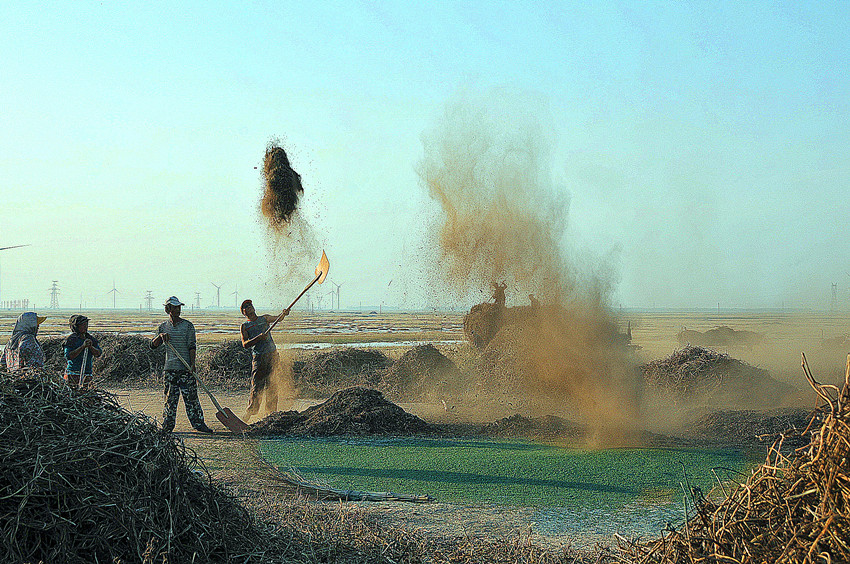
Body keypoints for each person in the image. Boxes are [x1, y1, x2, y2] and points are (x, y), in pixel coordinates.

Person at [150, 296, 214, 434]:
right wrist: (160, 337)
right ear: (168, 309)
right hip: (170, 369)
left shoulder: (188, 326)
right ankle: (167, 426)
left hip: (185, 368)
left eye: (179, 307)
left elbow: (192, 346)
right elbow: (153, 345)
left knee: (191, 398)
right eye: (174, 307)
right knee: (170, 400)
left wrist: (192, 365)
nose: (177, 310)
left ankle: (198, 424)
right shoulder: (162, 327)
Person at [240, 299, 288, 420]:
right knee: (257, 386)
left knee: (272, 385)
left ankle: (270, 415)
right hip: (259, 358)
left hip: (272, 355)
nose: (248, 307)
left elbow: (278, 318)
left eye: (250, 305)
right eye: (245, 307)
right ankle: (250, 412)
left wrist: (284, 313)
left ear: (254, 308)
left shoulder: (264, 318)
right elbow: (245, 344)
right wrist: (258, 338)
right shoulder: (245, 326)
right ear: (243, 313)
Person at [63, 314, 102, 388]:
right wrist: (82, 347)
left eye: (86, 324)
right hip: (73, 373)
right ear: (76, 326)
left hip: (87, 374)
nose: (85, 327)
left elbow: (98, 353)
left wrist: (90, 347)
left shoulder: (90, 339)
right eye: (82, 325)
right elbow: (68, 356)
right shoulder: (71, 340)